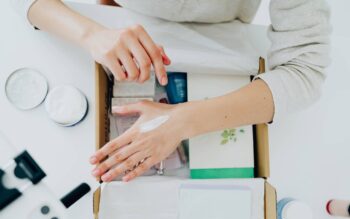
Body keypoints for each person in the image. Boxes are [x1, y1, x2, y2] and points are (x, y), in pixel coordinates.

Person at [11, 0, 331, 182]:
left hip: (223, 38)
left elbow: (305, 73)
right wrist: (92, 35)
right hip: (117, 20)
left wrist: (183, 121)